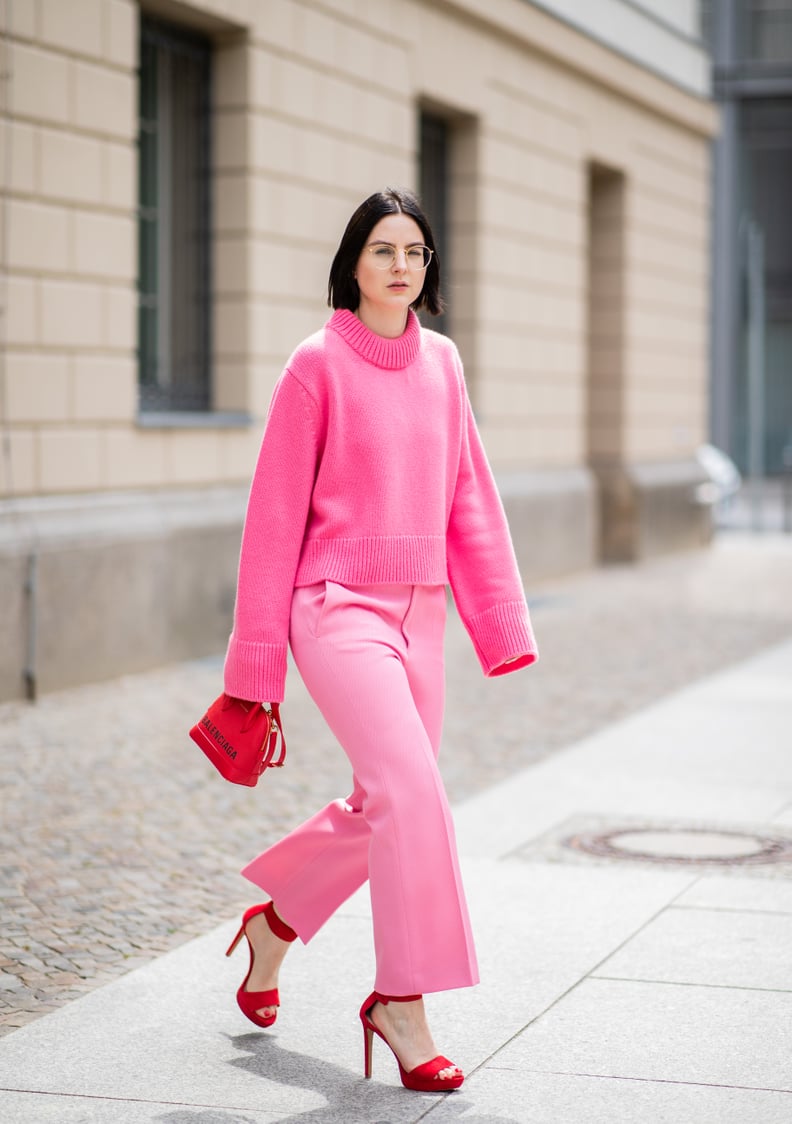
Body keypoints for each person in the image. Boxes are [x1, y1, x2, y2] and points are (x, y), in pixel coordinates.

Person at [222, 188, 538, 1093]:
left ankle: (272, 928)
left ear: (427, 270)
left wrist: (498, 623)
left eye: (415, 252)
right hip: (335, 608)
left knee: (386, 804)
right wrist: (257, 666)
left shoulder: (444, 364)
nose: (401, 265)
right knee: (411, 794)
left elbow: (469, 497)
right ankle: (402, 1002)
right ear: (353, 264)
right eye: (382, 250)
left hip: (423, 613)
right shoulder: (314, 366)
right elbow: (271, 522)